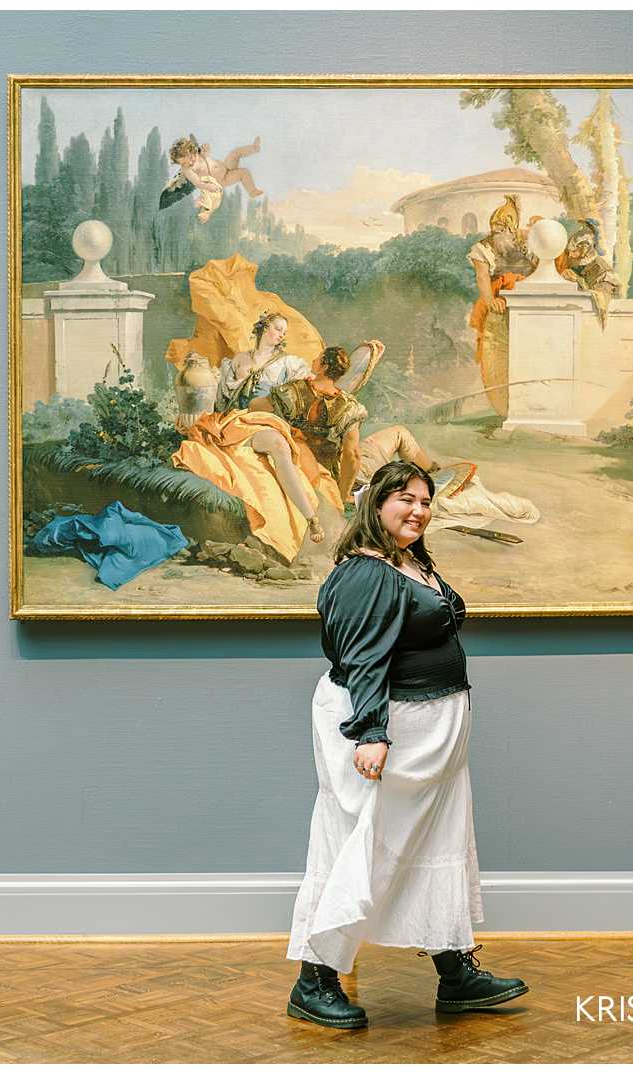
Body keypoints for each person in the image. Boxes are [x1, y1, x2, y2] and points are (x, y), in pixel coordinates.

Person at [285, 460, 529, 1029]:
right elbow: (361, 658)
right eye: (404, 499)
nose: (418, 510)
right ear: (375, 504)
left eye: (424, 500)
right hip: (387, 731)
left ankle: (455, 972)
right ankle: (314, 977)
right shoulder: (366, 572)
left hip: (434, 735)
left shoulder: (412, 561)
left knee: (436, 843)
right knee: (364, 846)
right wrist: (371, 733)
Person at [171, 311, 337, 558]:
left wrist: (311, 382)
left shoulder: (288, 363)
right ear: (263, 327)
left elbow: (307, 384)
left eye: (284, 331)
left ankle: (310, 517)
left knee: (279, 445)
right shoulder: (236, 361)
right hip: (232, 421)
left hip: (262, 420)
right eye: (278, 328)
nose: (281, 334)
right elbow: (218, 402)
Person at [252, 344, 379, 506]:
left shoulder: (292, 390)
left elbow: (256, 407)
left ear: (324, 366)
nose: (313, 360)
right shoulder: (350, 408)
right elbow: (352, 455)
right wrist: (343, 495)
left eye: (318, 358)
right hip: (328, 475)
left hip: (294, 467)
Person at [466, 195, 538, 418]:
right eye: (495, 229)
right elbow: (481, 278)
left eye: (502, 229)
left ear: (512, 228)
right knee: (495, 352)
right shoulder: (482, 248)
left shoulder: (526, 240)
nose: (498, 234)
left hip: (530, 298)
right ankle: (504, 407)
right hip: (499, 299)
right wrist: (490, 301)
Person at [168, 134, 265, 222]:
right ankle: (252, 191)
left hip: (226, 166)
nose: (189, 163)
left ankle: (255, 148)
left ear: (191, 151)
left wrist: (206, 149)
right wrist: (208, 187)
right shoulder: (187, 170)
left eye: (190, 158)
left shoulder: (198, 154)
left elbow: (206, 154)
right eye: (183, 163)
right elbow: (197, 183)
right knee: (244, 172)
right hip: (223, 179)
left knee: (235, 153)